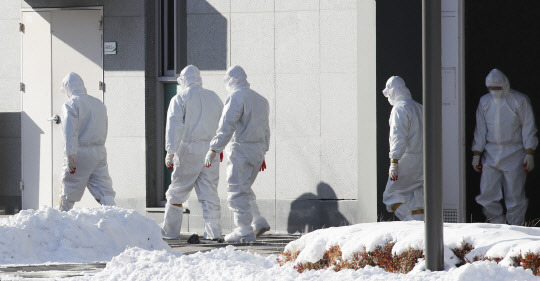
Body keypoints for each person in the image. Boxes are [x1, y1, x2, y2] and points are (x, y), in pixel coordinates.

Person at [204, 65, 271, 243]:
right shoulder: (261, 100)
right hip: (257, 151)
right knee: (245, 188)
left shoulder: (236, 97)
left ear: (233, 80)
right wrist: (263, 151)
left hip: (240, 149)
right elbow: (265, 130)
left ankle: (243, 230)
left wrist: (214, 149)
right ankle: (257, 221)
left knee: (236, 190)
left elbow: (227, 126)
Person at [161, 65, 224, 240]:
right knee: (209, 192)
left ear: (184, 80)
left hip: (188, 148)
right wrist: (219, 147)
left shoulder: (180, 98)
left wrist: (170, 151)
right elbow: (223, 125)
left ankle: (170, 231)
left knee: (177, 191)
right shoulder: (214, 97)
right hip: (210, 150)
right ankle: (214, 232)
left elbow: (174, 127)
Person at [472, 69, 537, 225]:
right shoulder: (485, 101)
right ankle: (497, 226)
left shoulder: (519, 100)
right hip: (491, 154)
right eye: (491, 88)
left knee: (514, 196)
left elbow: (528, 126)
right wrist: (477, 152)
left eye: (498, 88)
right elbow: (480, 129)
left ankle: (516, 227)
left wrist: (530, 152)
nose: (495, 92)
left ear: (505, 85)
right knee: (487, 195)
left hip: (515, 154)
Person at [58, 72, 116, 211]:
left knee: (69, 190)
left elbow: (69, 132)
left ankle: (59, 221)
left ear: (68, 88)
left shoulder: (71, 105)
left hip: (79, 153)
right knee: (104, 189)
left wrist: (69, 155)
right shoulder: (98, 104)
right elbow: (104, 127)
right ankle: (116, 218)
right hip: (99, 152)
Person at [381, 76, 424, 221]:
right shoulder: (419, 107)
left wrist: (394, 160)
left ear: (393, 91)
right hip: (423, 159)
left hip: (406, 158)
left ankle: (408, 220)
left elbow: (398, 137)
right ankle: (419, 225)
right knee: (417, 196)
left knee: (391, 195)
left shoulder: (399, 109)